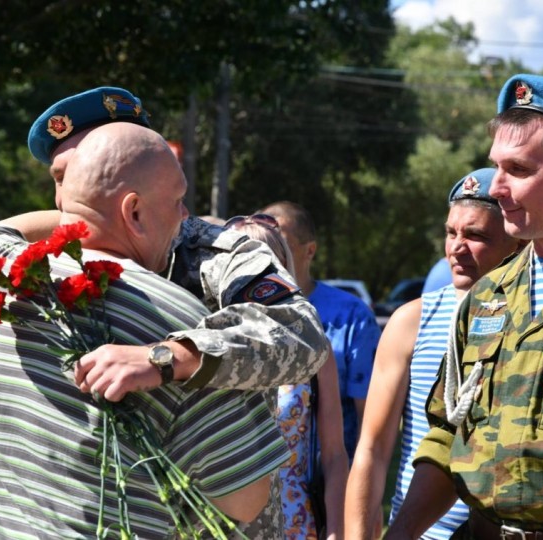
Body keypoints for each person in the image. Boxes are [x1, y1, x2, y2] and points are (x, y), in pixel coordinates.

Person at [0, 122, 291, 538]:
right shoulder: (180, 326)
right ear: (134, 212)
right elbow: (246, 499)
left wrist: (83, 208)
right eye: (178, 201)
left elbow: (6, 227)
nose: (186, 218)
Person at [27, 87, 330, 538]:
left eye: (88, 168)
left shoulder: (213, 253)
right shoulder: (34, 263)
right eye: (60, 176)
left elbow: (303, 335)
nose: (66, 196)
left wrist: (172, 357)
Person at [386, 74, 543, 540]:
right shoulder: (486, 298)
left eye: (518, 170)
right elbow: (446, 436)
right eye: (496, 167)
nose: (496, 187)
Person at [344, 168, 523, 540]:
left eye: (475, 235)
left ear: (516, 242)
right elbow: (373, 450)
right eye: (451, 232)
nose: (457, 248)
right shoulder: (412, 320)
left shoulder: (536, 319)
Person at [225, 214, 349, 539]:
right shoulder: (202, 346)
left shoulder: (312, 349)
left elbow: (334, 455)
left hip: (293, 522)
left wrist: (336, 529)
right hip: (216, 521)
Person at [259, 201, 381, 462]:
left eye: (283, 247)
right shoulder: (244, 312)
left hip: (325, 481)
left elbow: (369, 418)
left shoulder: (351, 316)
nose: (271, 256)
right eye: (263, 246)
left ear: (310, 251)